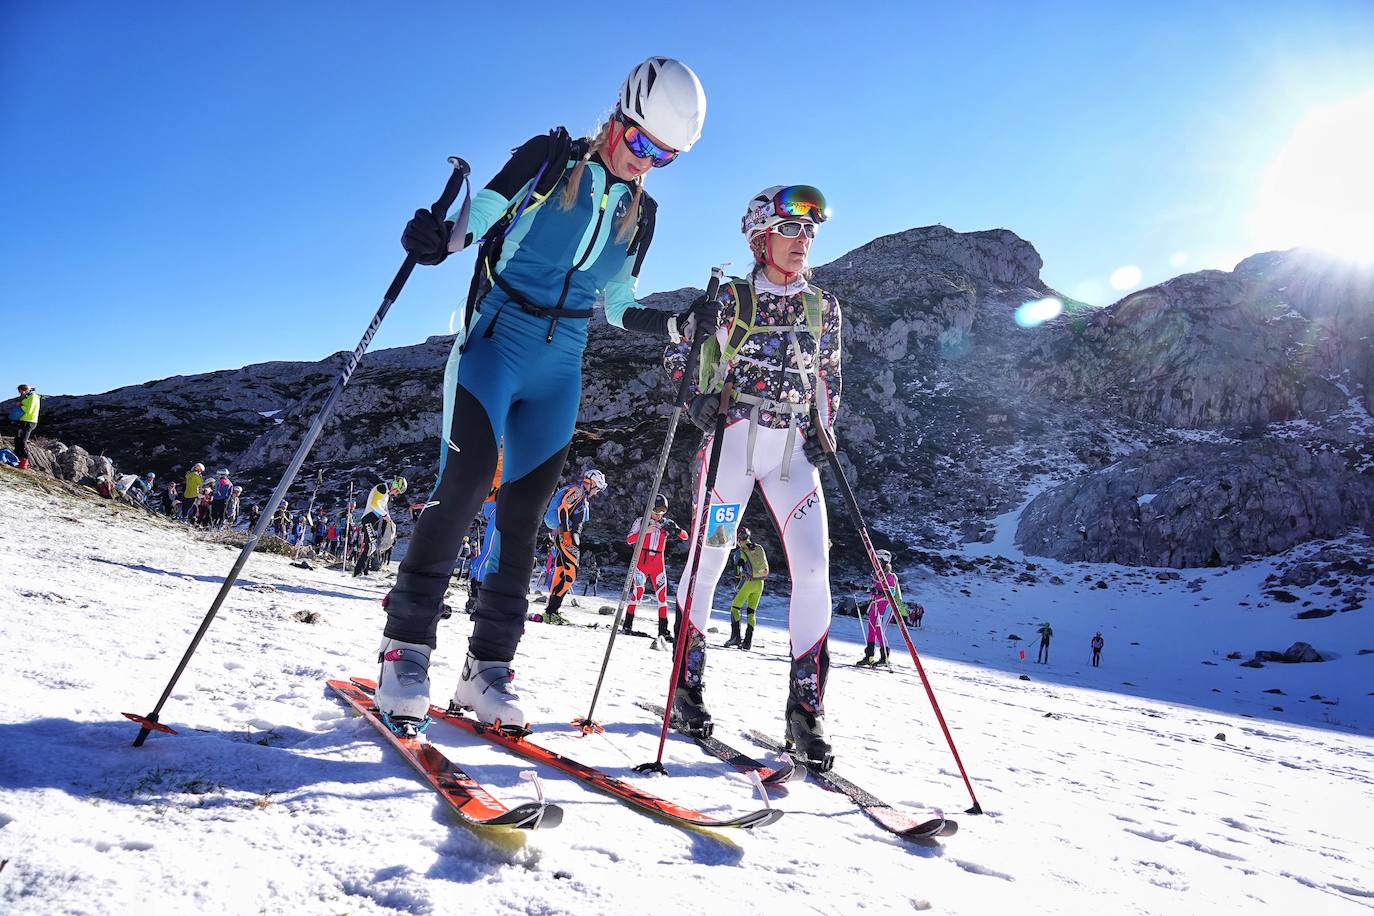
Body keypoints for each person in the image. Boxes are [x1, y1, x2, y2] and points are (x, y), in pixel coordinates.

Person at [373, 57, 711, 733]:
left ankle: (487, 669)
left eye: (666, 157)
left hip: (563, 364)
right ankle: (405, 650)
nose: (647, 163)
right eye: (644, 143)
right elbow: (487, 213)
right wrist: (443, 239)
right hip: (499, 340)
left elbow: (617, 300)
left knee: (526, 514)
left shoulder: (643, 215)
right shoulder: (551, 158)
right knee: (465, 482)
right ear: (619, 117)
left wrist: (673, 322)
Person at [662, 184, 841, 767]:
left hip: (794, 451)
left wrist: (825, 424)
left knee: (814, 568)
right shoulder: (733, 299)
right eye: (790, 230)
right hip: (734, 446)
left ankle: (805, 712)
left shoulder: (825, 308)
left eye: (809, 232)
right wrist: (695, 393)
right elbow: (677, 355)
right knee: (709, 559)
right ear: (760, 236)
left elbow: (827, 377)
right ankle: (687, 687)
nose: (802, 242)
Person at [541, 469, 607, 624]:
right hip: (568, 535)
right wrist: (565, 533)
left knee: (561, 570)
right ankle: (551, 611)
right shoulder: (577, 491)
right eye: (597, 489)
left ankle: (550, 612)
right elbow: (563, 509)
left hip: (566, 534)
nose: (596, 493)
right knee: (570, 573)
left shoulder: (579, 493)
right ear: (591, 484)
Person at [624, 492, 688, 639]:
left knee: (661, 595)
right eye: (657, 511)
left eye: (663, 511)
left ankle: (663, 631)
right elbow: (629, 539)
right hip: (641, 560)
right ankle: (627, 625)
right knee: (638, 592)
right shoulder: (641, 521)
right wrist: (645, 531)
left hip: (658, 562)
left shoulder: (666, 523)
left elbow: (685, 536)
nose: (659, 515)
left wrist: (676, 531)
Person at [724, 525, 769, 650]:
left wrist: (739, 574)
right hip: (760, 583)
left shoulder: (740, 552)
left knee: (735, 607)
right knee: (751, 612)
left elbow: (738, 570)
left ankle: (736, 637)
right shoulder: (758, 548)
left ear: (738, 539)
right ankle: (748, 642)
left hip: (747, 582)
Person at [354, 477, 407, 577]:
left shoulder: (386, 493)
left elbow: (384, 509)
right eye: (397, 491)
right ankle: (358, 572)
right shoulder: (381, 488)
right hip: (368, 518)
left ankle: (364, 571)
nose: (396, 494)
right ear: (395, 486)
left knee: (372, 546)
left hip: (374, 521)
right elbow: (375, 504)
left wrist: (389, 520)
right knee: (370, 546)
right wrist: (385, 515)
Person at [858, 549, 901, 667]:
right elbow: (874, 590)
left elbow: (890, 592)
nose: (875, 562)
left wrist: (877, 591)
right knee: (871, 629)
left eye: (878, 560)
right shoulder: (876, 574)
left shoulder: (890, 576)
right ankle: (869, 656)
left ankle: (884, 657)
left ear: (884, 561)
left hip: (885, 606)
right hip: (875, 605)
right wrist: (861, 588)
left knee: (879, 630)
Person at [10, 385, 39, 471]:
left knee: (23, 441)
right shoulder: (28, 396)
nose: (20, 393)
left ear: (24, 390)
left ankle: (24, 462)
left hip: (29, 421)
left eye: (20, 391)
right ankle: (16, 457)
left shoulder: (33, 397)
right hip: (23, 420)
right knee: (17, 439)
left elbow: (28, 410)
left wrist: (20, 405)